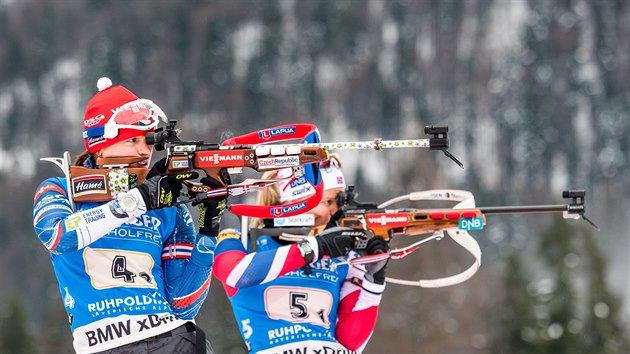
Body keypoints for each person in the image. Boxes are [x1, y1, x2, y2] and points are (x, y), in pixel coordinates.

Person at [32, 77, 225, 354]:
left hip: (173, 339)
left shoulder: (167, 205)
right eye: (132, 139)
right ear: (100, 145)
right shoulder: (61, 189)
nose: (145, 150)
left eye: (149, 140)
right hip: (103, 345)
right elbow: (57, 236)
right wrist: (135, 202)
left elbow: (184, 304)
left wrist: (207, 232)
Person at [212, 156, 389, 353]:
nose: (336, 212)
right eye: (328, 201)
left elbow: (351, 343)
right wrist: (313, 248)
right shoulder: (239, 241)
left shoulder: (339, 257)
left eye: (340, 203)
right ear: (295, 201)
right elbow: (235, 273)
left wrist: (373, 281)